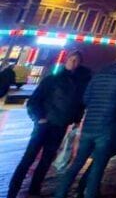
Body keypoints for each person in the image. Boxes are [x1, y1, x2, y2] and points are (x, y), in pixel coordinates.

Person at [54, 49, 116, 198]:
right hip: (109, 126)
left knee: (77, 163)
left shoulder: (100, 72)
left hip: (90, 124)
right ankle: (89, 194)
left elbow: (86, 98)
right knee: (98, 166)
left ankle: (60, 193)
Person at [8, 51, 92, 198]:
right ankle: (13, 191)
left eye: (77, 61)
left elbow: (79, 104)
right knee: (28, 159)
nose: (74, 63)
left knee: (46, 161)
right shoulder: (52, 80)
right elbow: (34, 101)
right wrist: (39, 118)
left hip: (60, 126)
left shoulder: (79, 83)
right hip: (44, 126)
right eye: (72, 60)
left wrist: (76, 119)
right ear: (66, 60)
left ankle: (34, 190)